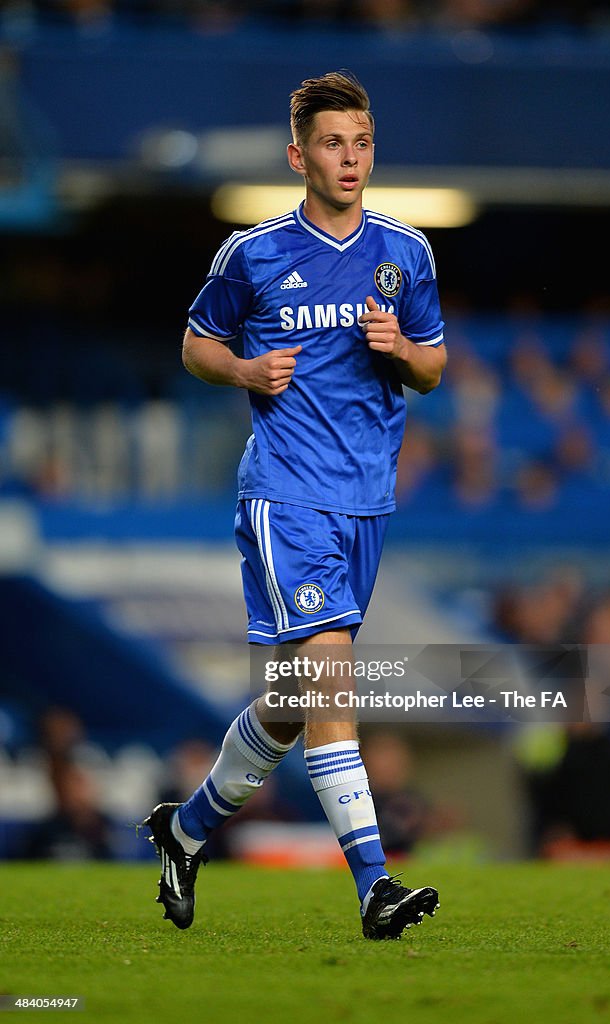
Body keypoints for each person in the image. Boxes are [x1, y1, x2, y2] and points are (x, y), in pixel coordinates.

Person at [142, 70, 446, 940]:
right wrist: (241, 369)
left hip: (366, 501)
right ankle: (375, 887)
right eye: (331, 143)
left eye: (361, 142)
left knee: (286, 703)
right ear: (297, 155)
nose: (349, 158)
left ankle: (185, 830)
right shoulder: (254, 252)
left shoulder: (406, 252)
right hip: (284, 493)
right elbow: (199, 342)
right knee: (330, 677)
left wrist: (401, 349)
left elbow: (434, 366)